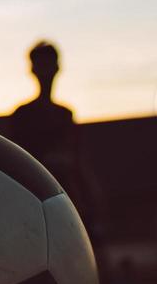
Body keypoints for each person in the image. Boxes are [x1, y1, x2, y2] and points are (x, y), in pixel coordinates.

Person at [6, 41, 100, 226]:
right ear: (33, 69)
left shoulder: (65, 114)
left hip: (71, 203)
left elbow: (79, 162)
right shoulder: (23, 116)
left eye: (49, 64)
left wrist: (92, 198)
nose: (46, 71)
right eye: (42, 65)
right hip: (38, 203)